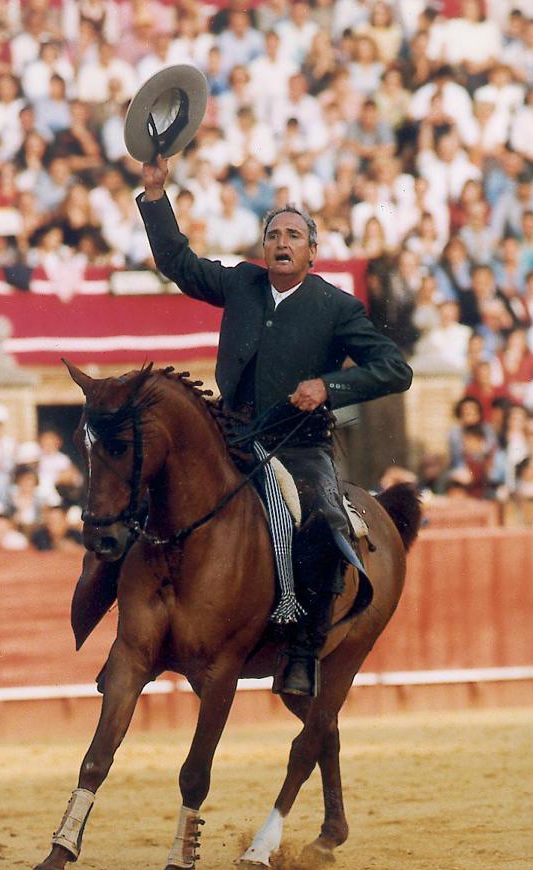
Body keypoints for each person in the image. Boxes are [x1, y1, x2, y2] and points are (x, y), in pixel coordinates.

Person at [136, 154, 413, 697]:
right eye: (273, 234)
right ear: (264, 249)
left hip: (299, 445)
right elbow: (176, 259)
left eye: (293, 234)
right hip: (231, 436)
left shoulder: (337, 308)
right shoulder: (242, 283)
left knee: (325, 522)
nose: (282, 242)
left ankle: (304, 653)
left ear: (313, 250)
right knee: (145, 496)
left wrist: (329, 387)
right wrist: (153, 194)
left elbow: (395, 369)